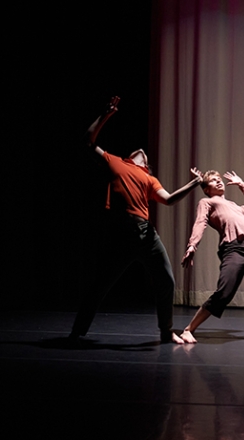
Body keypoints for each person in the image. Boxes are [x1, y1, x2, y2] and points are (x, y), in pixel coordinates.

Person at [68, 96, 203, 344]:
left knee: (166, 279)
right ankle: (77, 332)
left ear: (147, 165)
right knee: (101, 284)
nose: (142, 151)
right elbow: (87, 141)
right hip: (122, 231)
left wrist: (194, 183)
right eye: (138, 152)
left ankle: (166, 331)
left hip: (146, 233)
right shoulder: (116, 162)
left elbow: (170, 199)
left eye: (145, 155)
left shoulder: (149, 179)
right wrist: (105, 115)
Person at [179, 170, 244, 343]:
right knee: (224, 293)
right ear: (206, 189)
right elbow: (200, 223)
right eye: (213, 181)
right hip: (233, 249)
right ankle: (188, 329)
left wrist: (241, 183)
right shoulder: (207, 202)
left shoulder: (238, 208)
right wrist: (192, 245)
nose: (219, 182)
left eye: (219, 179)